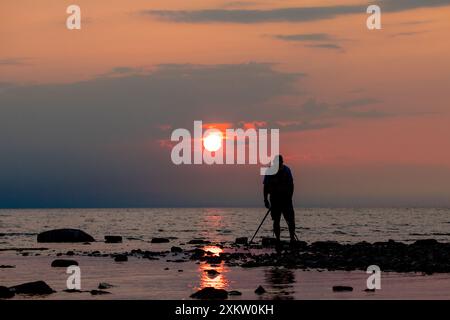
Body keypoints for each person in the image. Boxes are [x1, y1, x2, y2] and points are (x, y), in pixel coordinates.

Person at [263, 155, 296, 248]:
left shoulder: (286, 170)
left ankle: (292, 239)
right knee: (276, 220)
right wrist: (265, 199)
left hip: (286, 199)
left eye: (280, 163)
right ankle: (278, 240)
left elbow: (291, 184)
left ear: (282, 162)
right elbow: (265, 186)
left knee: (290, 220)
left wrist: (290, 197)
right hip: (275, 199)